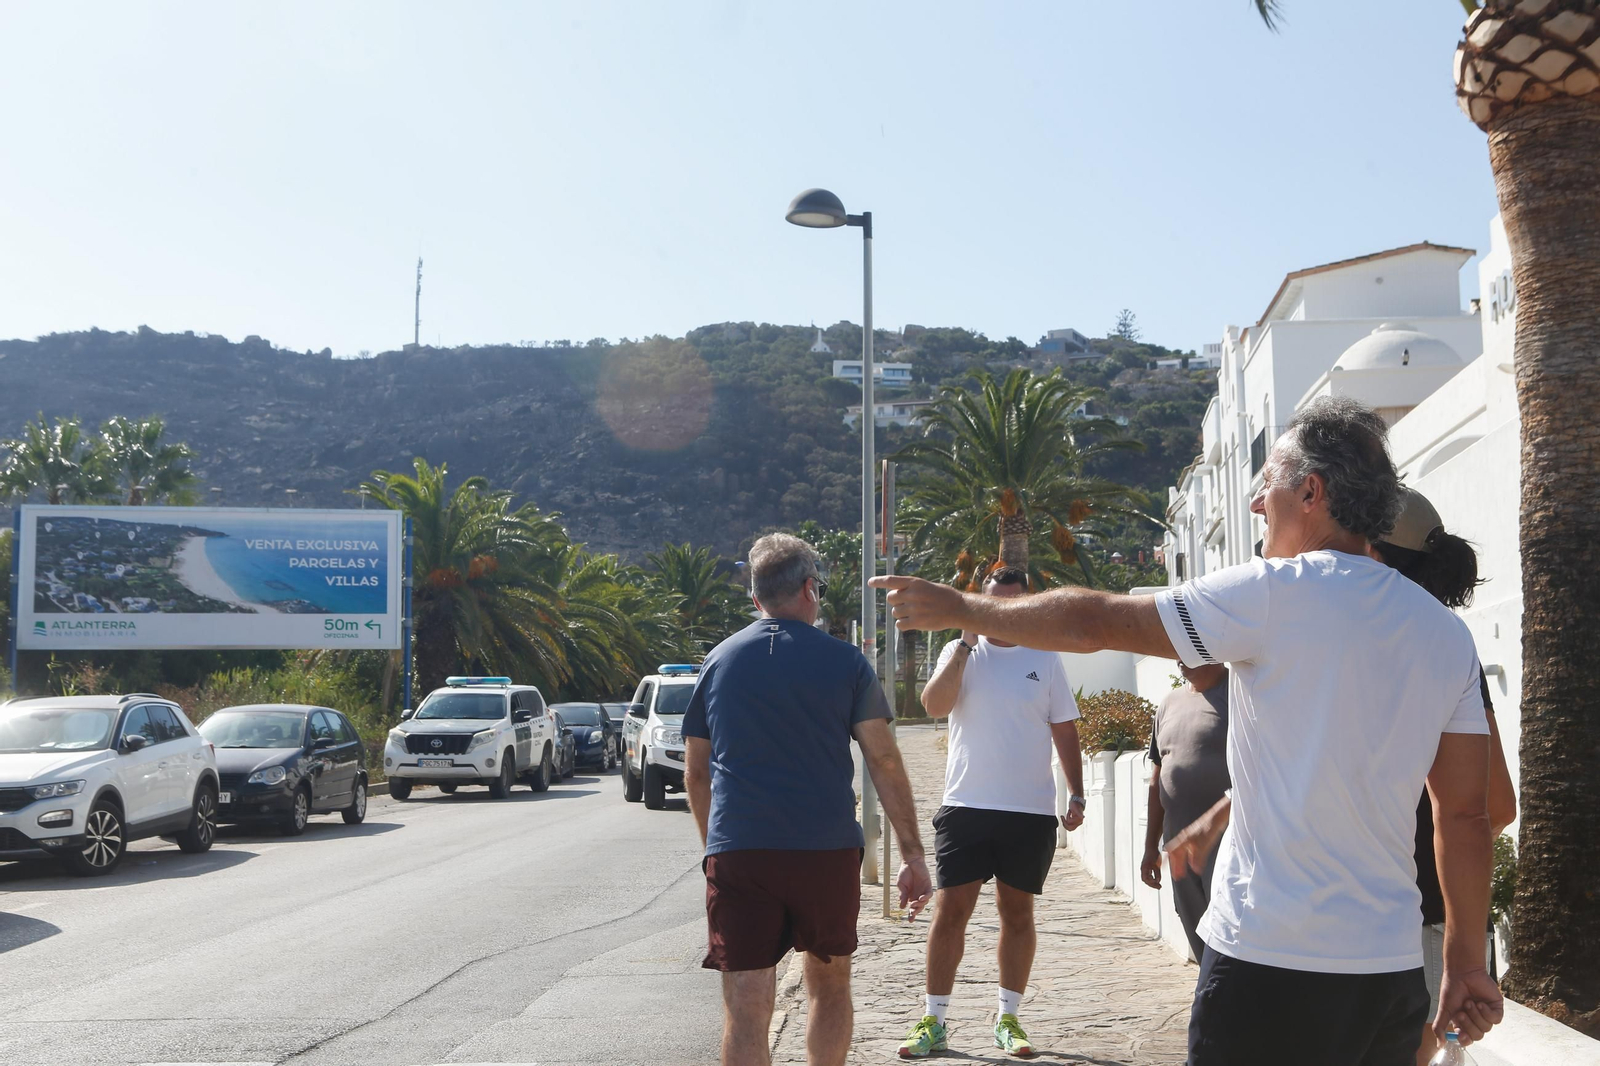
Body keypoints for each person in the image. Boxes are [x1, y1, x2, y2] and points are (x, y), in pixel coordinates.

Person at [871, 396, 1503, 1066]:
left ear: (1311, 492)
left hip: (1266, 961)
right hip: (1388, 973)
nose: (1256, 504)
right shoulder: (1445, 635)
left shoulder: (1271, 592)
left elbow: (1096, 621)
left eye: (1267, 485)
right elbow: (1466, 815)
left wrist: (964, 607)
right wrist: (1466, 964)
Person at [683, 532, 934, 1066]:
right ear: (809, 589)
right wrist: (912, 854)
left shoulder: (718, 662)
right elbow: (884, 760)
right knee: (829, 984)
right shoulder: (846, 663)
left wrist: (714, 849)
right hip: (826, 851)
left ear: (756, 597)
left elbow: (696, 772)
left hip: (741, 851)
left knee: (746, 1005)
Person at [896, 566, 1086, 1060]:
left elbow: (1064, 728)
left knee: (1017, 915)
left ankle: (1009, 1019)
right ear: (980, 602)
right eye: (994, 601)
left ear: (1027, 603)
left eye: (1012, 601)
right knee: (950, 913)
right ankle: (934, 1021)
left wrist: (1077, 793)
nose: (1003, 610)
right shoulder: (960, 652)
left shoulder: (1044, 656)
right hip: (966, 806)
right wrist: (965, 641)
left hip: (1029, 811)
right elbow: (934, 705)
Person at [1369, 488, 1518, 1066]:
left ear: (1371, 554)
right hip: (1431, 917)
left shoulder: (1345, 643)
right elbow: (1496, 806)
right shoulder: (1447, 645)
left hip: (1358, 923)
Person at [1140, 659, 1230, 964]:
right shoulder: (1168, 703)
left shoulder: (1240, 694)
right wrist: (1150, 847)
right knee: (1196, 930)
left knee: (1228, 932)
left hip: (1226, 841)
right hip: (1178, 844)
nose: (1180, 658)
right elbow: (1157, 779)